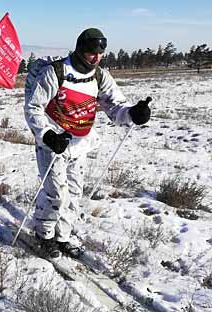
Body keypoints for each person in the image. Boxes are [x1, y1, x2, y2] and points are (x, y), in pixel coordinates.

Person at [24, 28, 151, 259]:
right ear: (80, 48)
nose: (96, 57)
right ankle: (43, 235)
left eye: (100, 53)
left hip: (79, 143)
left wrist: (134, 113)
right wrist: (47, 135)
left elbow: (115, 107)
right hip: (53, 144)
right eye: (92, 52)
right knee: (56, 194)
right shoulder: (57, 72)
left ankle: (62, 236)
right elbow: (33, 107)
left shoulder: (99, 76)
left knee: (73, 193)